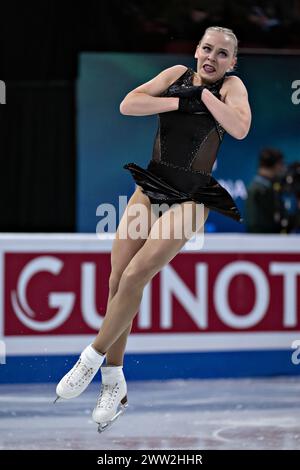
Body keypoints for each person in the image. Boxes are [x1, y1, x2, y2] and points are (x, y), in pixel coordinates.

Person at [55, 26, 252, 432]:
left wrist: (206, 98)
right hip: (153, 184)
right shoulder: (176, 74)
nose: (212, 57)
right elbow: (129, 104)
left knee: (137, 274)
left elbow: (239, 127)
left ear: (232, 61)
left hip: (194, 195)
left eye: (223, 53)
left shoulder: (233, 87)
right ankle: (115, 382)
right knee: (117, 280)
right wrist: (184, 100)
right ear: (197, 50)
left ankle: (90, 358)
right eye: (207, 48)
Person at [245, 147, 287, 233]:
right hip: (263, 241)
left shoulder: (264, 186)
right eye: (281, 164)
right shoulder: (260, 190)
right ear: (277, 165)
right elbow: (258, 224)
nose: (283, 168)